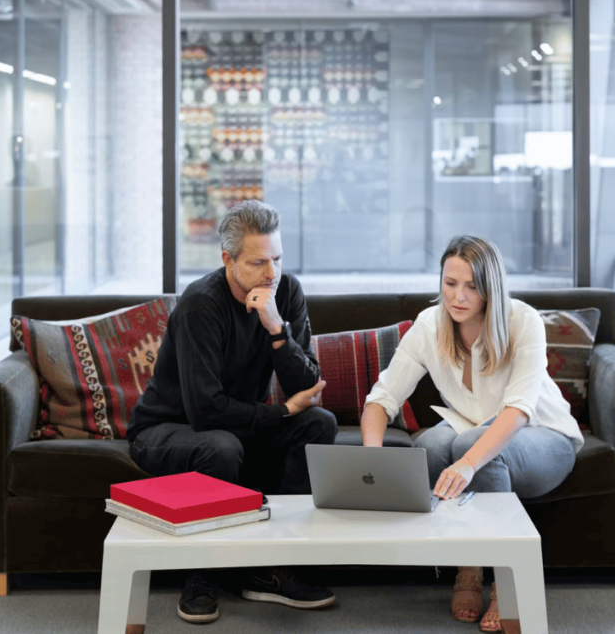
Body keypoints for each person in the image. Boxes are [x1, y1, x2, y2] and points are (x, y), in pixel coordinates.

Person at [127, 200, 338, 624]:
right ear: (228, 259)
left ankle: (271, 568)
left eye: (277, 258)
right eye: (258, 262)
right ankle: (202, 574)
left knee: (319, 423)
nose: (271, 273)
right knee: (220, 447)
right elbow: (205, 412)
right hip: (166, 430)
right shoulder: (201, 305)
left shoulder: (286, 293)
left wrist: (277, 330)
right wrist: (278, 414)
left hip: (235, 428)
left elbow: (307, 386)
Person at [360, 235, 583, 633]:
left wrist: (468, 462)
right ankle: (468, 563)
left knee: (466, 444)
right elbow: (381, 400)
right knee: (428, 443)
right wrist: (372, 460)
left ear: (490, 287)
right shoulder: (429, 325)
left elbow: (517, 411)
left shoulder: (522, 320)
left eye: (471, 286)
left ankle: (504, 582)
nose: (458, 297)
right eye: (450, 284)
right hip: (472, 427)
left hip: (544, 434)